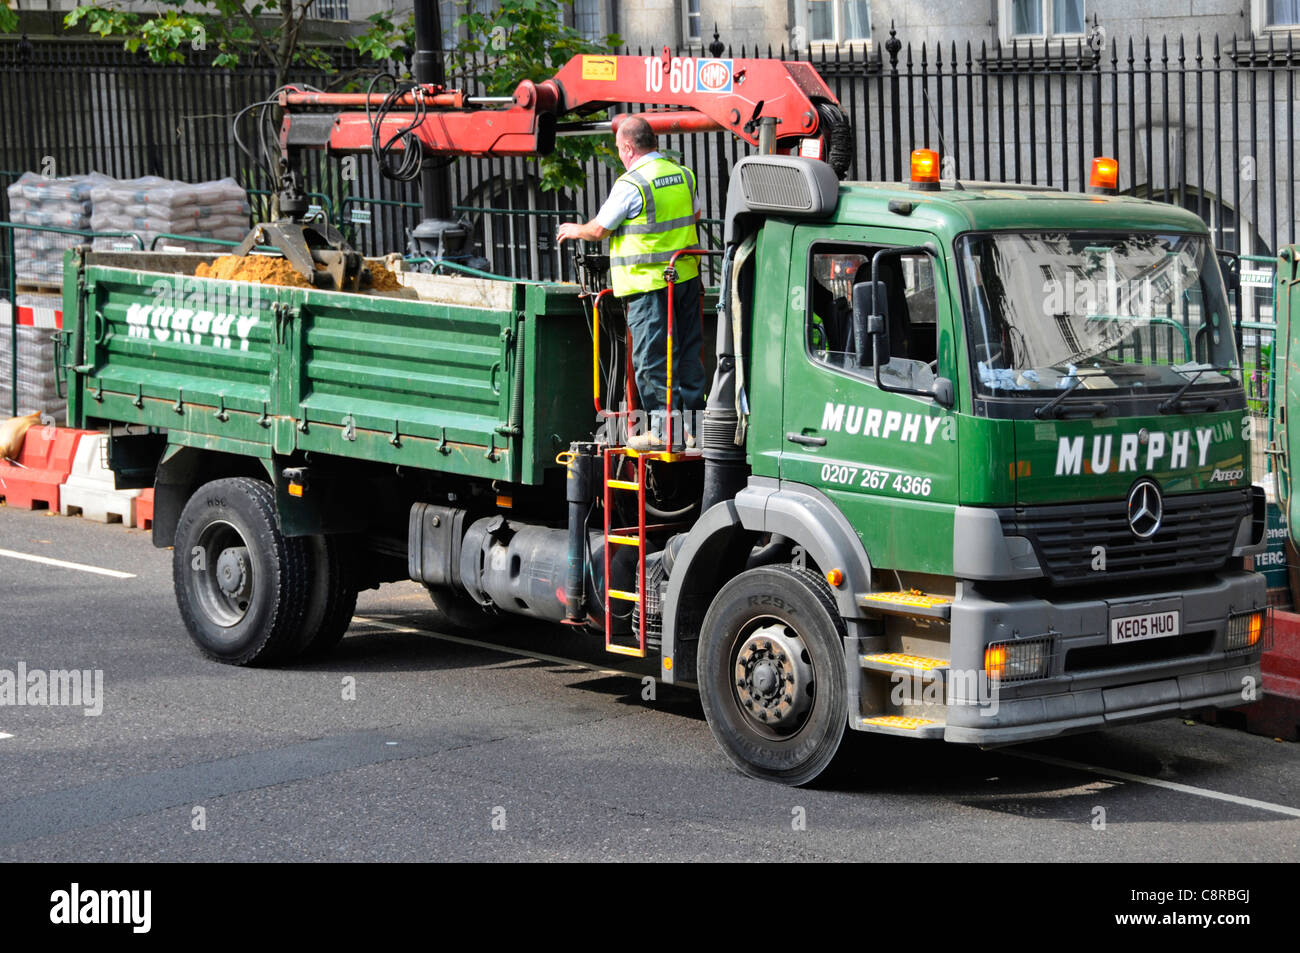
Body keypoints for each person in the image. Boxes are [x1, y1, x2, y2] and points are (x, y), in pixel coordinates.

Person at [557, 116, 706, 451]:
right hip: (685, 278)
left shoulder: (632, 183)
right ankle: (695, 428)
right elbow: (694, 215)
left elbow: (600, 229)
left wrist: (573, 230)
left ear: (628, 147)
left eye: (619, 149)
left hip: (648, 284)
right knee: (686, 355)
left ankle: (665, 431)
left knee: (653, 358)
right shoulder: (683, 174)